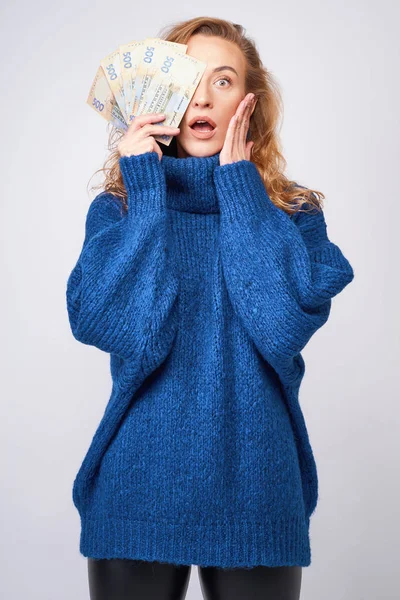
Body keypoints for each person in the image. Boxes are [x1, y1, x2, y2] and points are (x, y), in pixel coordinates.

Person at [66, 16, 355, 600]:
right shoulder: (121, 208)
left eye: (223, 80)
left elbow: (279, 326)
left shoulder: (292, 215)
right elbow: (124, 328)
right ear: (159, 92)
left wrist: (242, 190)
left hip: (258, 488)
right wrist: (145, 188)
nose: (202, 95)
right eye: (188, 77)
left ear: (250, 102)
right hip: (138, 485)